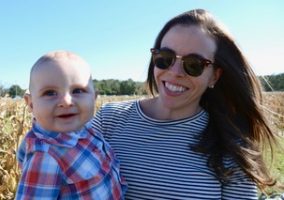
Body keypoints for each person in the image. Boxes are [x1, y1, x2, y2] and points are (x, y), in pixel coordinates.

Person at [92, 9, 281, 199]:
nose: (175, 72)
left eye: (194, 64)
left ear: (214, 76)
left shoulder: (230, 146)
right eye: (165, 57)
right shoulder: (108, 119)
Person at [16, 50, 127, 199]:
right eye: (50, 93)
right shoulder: (45, 157)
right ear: (31, 104)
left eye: (78, 90)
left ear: (94, 98)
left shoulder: (85, 129)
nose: (66, 102)